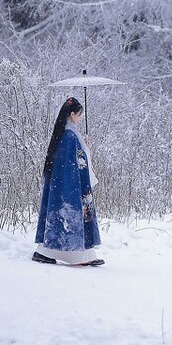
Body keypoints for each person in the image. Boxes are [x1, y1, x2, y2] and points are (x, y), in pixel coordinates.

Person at [33, 96, 104, 266]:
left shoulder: (66, 133)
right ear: (72, 114)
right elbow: (76, 161)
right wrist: (84, 150)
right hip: (70, 185)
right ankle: (76, 255)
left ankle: (58, 252)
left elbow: (78, 158)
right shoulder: (69, 136)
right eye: (79, 115)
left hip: (66, 183)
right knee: (71, 216)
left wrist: (85, 147)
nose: (80, 118)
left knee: (62, 216)